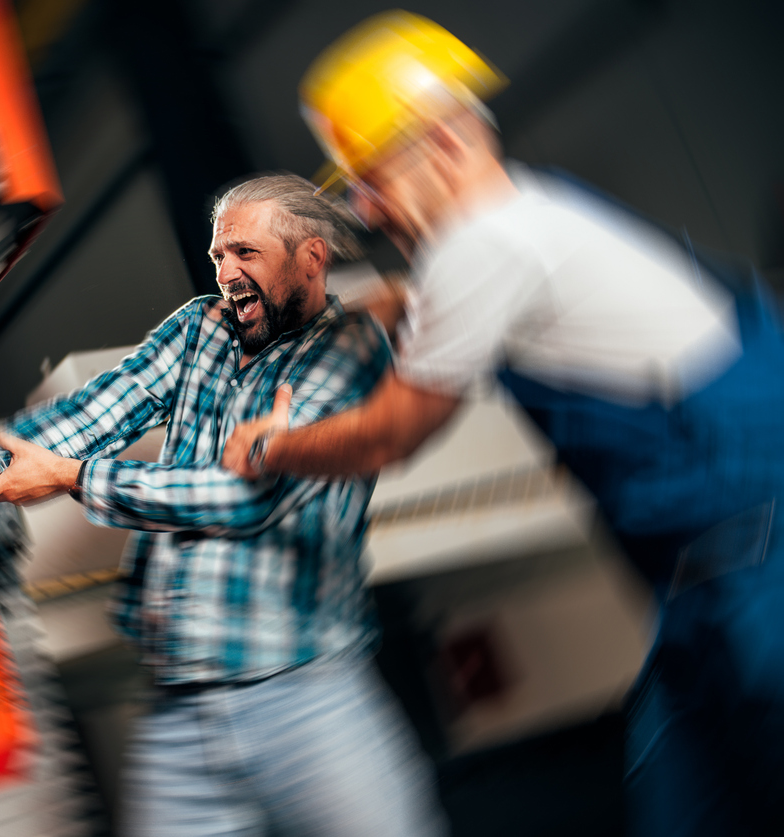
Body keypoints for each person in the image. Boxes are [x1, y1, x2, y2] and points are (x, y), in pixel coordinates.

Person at [222, 12, 784, 836]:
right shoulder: (530, 211)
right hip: (708, 584)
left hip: (758, 572)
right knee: (682, 799)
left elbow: (392, 433)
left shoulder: (480, 251)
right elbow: (417, 300)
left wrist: (269, 447)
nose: (368, 210)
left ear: (445, 142)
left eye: (373, 180)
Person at [0, 174, 444, 836]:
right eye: (217, 255)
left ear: (310, 258)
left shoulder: (351, 352)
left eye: (245, 253)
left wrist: (73, 477)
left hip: (303, 698)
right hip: (181, 711)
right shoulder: (201, 327)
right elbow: (94, 412)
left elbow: (245, 498)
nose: (225, 273)